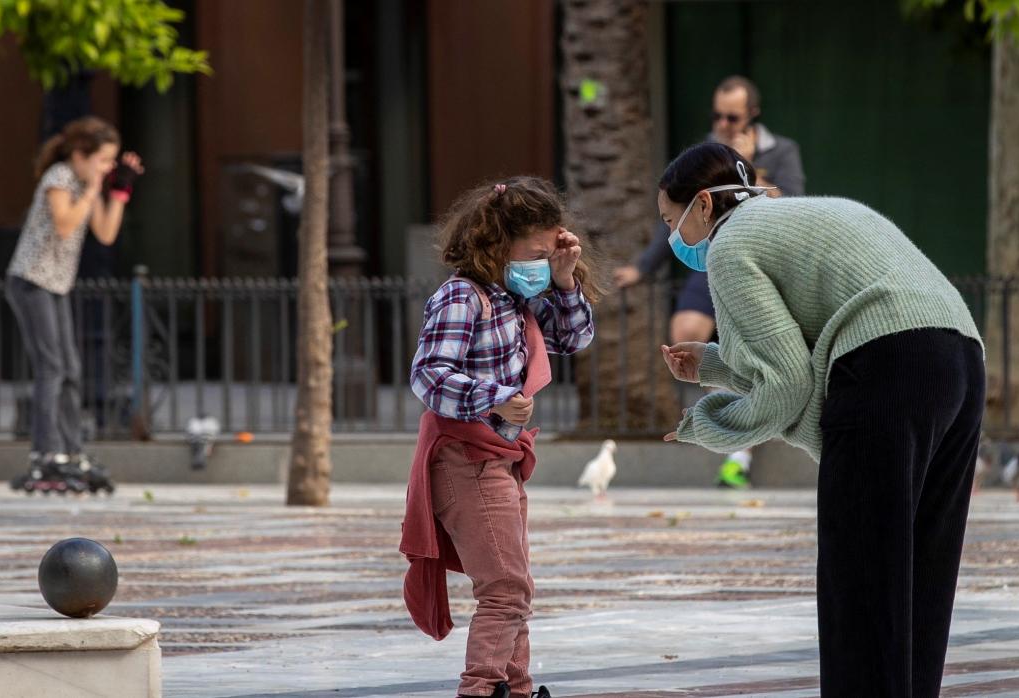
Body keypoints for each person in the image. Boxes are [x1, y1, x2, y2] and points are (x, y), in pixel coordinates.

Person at [657, 141, 984, 697]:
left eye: (672, 220)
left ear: (705, 207)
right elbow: (795, 348)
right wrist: (713, 365)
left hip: (886, 363)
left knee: (859, 582)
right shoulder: (794, 216)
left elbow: (786, 384)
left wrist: (705, 424)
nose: (674, 239)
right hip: (960, 358)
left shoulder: (731, 244)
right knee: (919, 576)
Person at [400, 177, 597, 698]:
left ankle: (518, 687)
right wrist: (491, 396)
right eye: (535, 253)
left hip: (501, 458)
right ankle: (482, 689)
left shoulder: (515, 299)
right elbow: (428, 375)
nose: (539, 263)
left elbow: (573, 337)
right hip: (466, 458)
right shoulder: (462, 297)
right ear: (498, 243)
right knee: (507, 590)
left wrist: (564, 277)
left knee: (514, 587)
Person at [616, 76, 805, 487]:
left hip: (755, 256)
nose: (723, 123)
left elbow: (792, 204)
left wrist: (745, 176)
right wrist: (643, 268)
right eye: (717, 115)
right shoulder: (701, 154)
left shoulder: (781, 151)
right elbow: (673, 219)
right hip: (711, 257)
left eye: (732, 116)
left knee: (758, 347)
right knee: (686, 330)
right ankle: (731, 426)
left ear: (752, 114)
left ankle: (738, 447)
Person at [5, 116, 144, 494]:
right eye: (101, 160)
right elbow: (65, 223)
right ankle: (45, 453)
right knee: (51, 366)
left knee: (71, 366)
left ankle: (71, 451)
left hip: (55, 285)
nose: (105, 168)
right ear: (81, 156)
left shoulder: (84, 183)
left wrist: (118, 193)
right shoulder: (59, 178)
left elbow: (105, 232)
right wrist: (93, 188)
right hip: (31, 281)